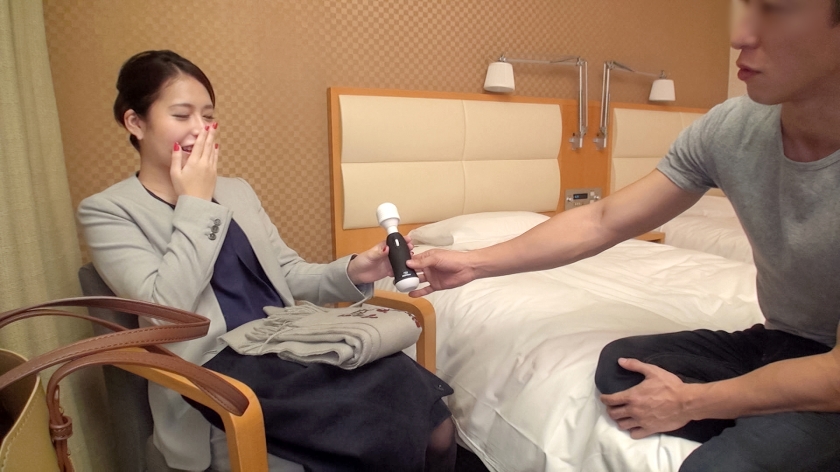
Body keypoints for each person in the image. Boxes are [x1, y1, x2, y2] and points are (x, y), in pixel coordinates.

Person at [406, 0, 840, 470]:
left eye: (777, 11)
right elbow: (603, 220)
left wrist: (694, 402)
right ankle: (786, 417)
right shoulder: (732, 128)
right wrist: (473, 263)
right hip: (785, 341)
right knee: (623, 369)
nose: (740, 36)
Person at [77, 50, 456, 472]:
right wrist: (195, 202)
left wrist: (355, 270)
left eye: (208, 116)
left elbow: (287, 273)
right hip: (219, 373)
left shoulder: (237, 191)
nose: (200, 129)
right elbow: (166, 312)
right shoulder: (109, 212)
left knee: (435, 425)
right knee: (377, 441)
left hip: (291, 343)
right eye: (182, 115)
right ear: (135, 122)